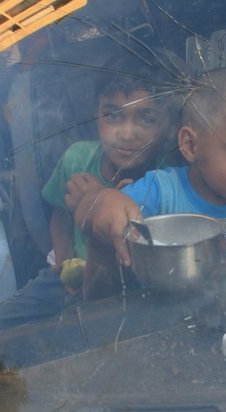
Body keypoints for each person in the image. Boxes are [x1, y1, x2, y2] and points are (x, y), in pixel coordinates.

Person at [71, 68, 226, 299]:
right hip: (154, 324)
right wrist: (100, 201)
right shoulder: (157, 192)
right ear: (190, 145)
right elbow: (95, 219)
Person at [40, 50, 183, 293]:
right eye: (113, 115)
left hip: (134, 288)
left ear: (167, 125)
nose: (126, 134)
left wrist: (99, 201)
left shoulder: (169, 178)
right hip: (74, 279)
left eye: (147, 119)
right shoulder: (76, 159)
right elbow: (59, 214)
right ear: (96, 115)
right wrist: (64, 261)